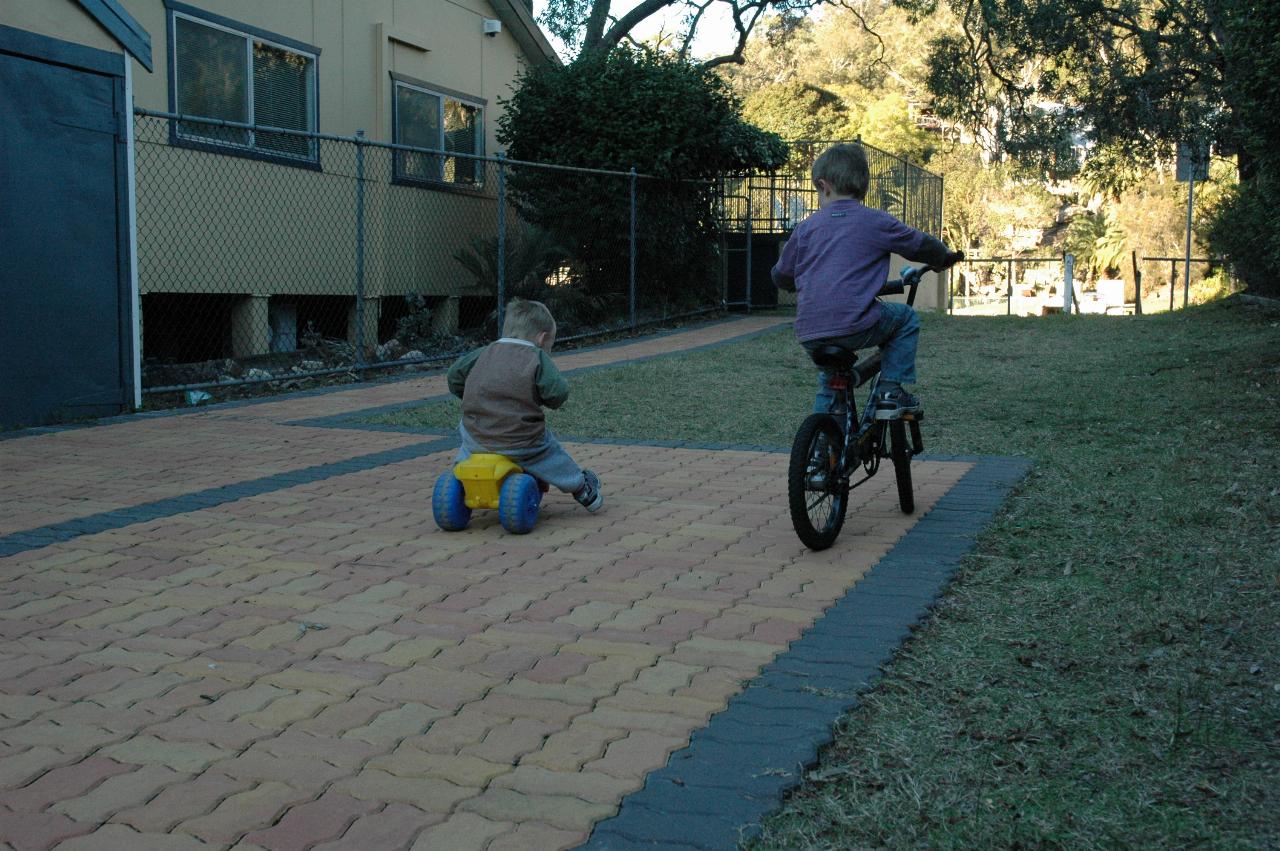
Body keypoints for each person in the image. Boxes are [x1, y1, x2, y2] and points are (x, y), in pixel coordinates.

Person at [771, 143, 963, 417]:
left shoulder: (806, 228)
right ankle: (890, 390)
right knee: (906, 319)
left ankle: (820, 454)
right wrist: (943, 258)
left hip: (810, 330)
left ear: (824, 186)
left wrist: (793, 283)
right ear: (863, 187)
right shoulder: (875, 221)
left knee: (830, 383)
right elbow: (920, 244)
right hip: (856, 323)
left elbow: (781, 275)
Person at [446, 298, 603, 512]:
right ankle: (582, 487)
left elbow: (454, 376)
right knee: (550, 452)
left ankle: (459, 475)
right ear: (542, 338)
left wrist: (472, 393)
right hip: (521, 441)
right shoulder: (536, 356)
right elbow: (558, 393)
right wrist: (544, 398)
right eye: (550, 346)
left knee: (467, 443)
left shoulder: (484, 352)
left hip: (477, 439)